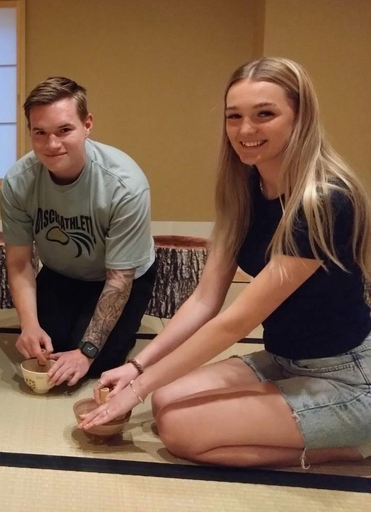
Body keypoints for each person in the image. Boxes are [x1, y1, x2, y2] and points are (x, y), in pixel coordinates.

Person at [80, 57, 371, 468]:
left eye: (264, 114)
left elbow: (235, 323)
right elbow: (204, 301)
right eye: (234, 117)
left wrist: (134, 392)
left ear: (300, 117)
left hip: (347, 376)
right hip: (282, 360)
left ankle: (355, 444)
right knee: (165, 397)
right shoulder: (247, 188)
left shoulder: (323, 201)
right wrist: (138, 368)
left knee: (180, 430)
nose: (245, 130)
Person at [1, 77, 156, 387]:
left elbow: (119, 279)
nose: (52, 144)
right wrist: (28, 326)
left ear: (87, 124)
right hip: (62, 272)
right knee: (49, 349)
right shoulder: (19, 181)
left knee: (99, 362)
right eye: (40, 133)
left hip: (121, 277)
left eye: (64, 130)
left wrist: (87, 352)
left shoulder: (124, 184)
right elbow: (19, 262)